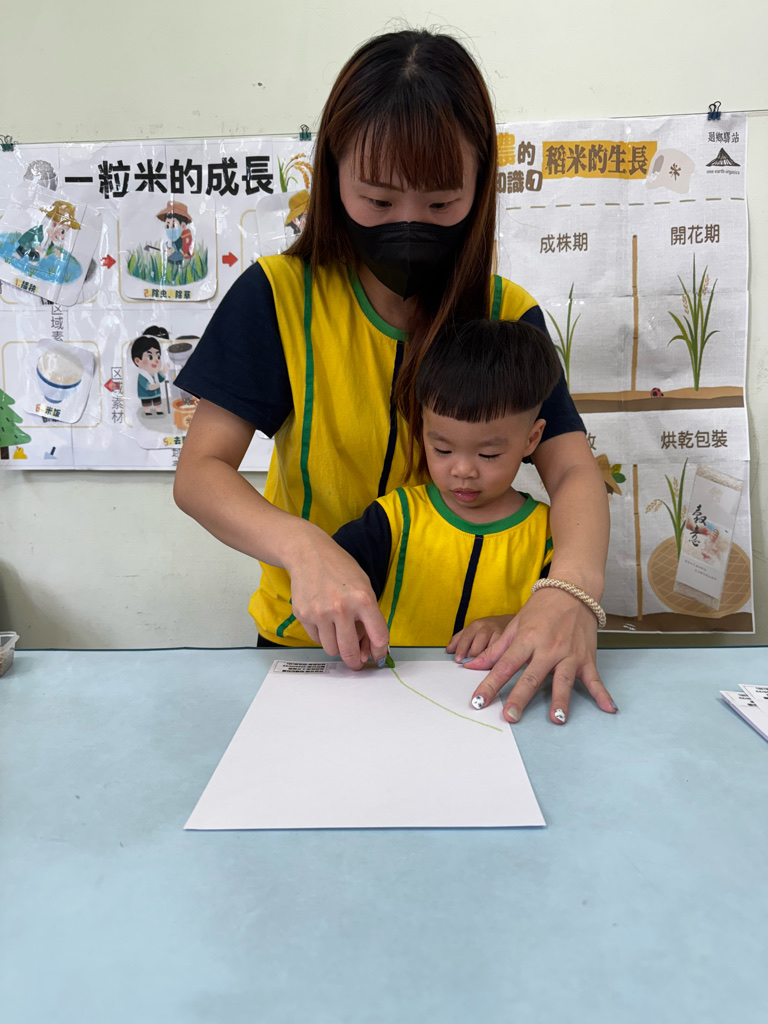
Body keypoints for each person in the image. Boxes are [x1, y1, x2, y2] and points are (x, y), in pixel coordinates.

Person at [173, 28, 616, 725]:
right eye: (378, 201)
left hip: (467, 655)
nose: (409, 224)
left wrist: (571, 591)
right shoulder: (278, 297)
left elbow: (573, 471)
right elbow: (200, 474)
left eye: (440, 204)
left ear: (480, 186)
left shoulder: (506, 315)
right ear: (331, 174)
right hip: (313, 643)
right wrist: (304, 547)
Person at [332, 318, 568, 656]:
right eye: (442, 449)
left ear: (532, 439)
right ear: (421, 429)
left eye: (488, 454)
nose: (463, 471)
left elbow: (560, 619)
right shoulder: (395, 517)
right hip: (393, 684)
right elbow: (330, 576)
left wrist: (514, 623)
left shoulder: (550, 536)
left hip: (496, 686)